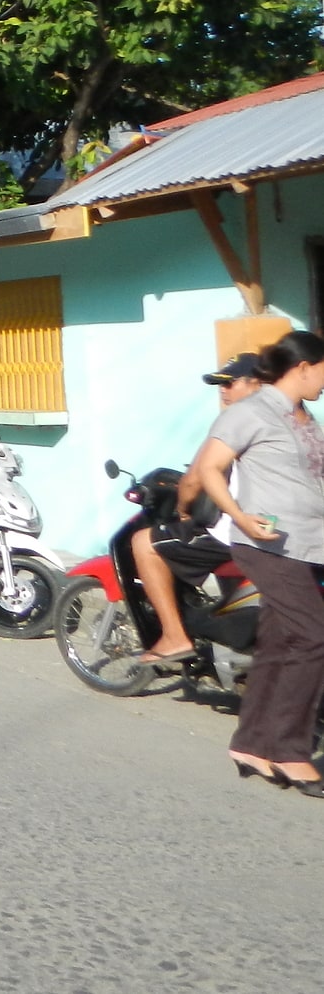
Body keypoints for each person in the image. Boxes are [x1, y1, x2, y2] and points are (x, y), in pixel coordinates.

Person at [186, 330, 324, 794]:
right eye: (323, 372)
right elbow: (209, 468)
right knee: (313, 637)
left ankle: (251, 743)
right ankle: (289, 750)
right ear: (303, 368)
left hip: (307, 544)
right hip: (266, 545)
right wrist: (241, 517)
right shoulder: (252, 411)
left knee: (281, 643)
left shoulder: (303, 416)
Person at [131, 354, 264, 663]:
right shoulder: (290, 418)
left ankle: (175, 637)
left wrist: (183, 509)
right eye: (220, 384)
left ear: (255, 383)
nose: (223, 391)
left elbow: (193, 480)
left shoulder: (237, 420)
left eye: (229, 383)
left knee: (145, 543)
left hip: (239, 531)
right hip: (281, 526)